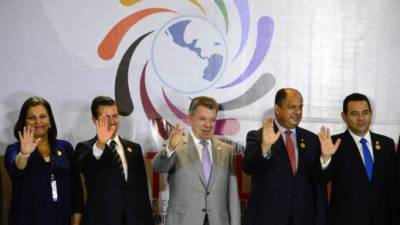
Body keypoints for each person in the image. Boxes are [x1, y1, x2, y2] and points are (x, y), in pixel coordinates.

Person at [242, 88, 327, 225]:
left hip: (304, 219)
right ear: (277, 108)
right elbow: (249, 168)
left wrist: (326, 159)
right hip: (269, 218)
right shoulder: (258, 136)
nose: (298, 112)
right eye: (292, 107)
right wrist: (265, 149)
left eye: (300, 107)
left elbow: (319, 183)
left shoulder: (312, 140)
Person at [152, 96, 240, 225]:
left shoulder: (227, 151)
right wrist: (170, 148)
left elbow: (233, 199)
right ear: (190, 118)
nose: (208, 125)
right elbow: (158, 167)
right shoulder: (177, 145)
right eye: (202, 119)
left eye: (212, 120)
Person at [319, 93, 396, 225]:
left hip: (382, 218)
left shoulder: (387, 144)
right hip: (346, 219)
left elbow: (393, 186)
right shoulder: (333, 144)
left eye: (365, 112)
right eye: (354, 113)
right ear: (344, 116)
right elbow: (321, 179)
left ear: (371, 114)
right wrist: (326, 158)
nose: (361, 118)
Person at [75, 96, 154, 225]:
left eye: (115, 115)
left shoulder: (134, 149)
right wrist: (100, 144)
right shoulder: (85, 148)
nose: (112, 121)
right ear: (94, 120)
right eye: (106, 117)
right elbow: (88, 169)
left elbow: (142, 193)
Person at [4, 96, 83, 225]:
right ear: (24, 122)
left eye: (43, 116)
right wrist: (24, 154)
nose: (38, 121)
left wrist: (77, 214)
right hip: (26, 218)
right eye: (31, 118)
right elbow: (15, 169)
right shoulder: (14, 149)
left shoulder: (65, 147)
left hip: (60, 217)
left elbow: (76, 185)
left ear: (50, 120)